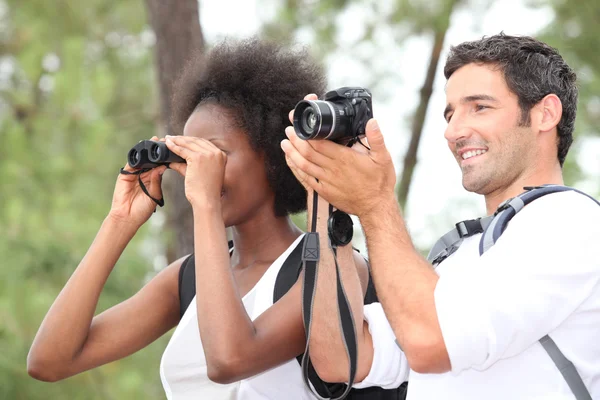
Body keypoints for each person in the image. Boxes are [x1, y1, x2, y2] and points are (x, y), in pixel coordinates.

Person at [27, 37, 370, 399]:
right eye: (192, 157)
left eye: (216, 154)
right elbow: (49, 361)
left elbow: (228, 360)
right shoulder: (186, 279)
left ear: (273, 156)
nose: (198, 172)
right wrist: (119, 221)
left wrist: (206, 204)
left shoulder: (332, 268)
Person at [281, 33, 600, 399]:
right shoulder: (461, 256)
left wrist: (374, 202)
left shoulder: (571, 222)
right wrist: (327, 198)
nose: (453, 131)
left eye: (479, 107)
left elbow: (430, 340)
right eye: (450, 114)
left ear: (546, 114)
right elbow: (341, 359)